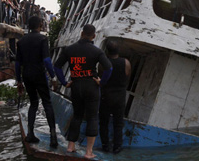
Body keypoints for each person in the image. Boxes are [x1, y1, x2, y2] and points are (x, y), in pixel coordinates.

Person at [54, 24, 112, 159]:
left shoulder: (69, 49)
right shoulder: (96, 51)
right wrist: (102, 82)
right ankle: (89, 152)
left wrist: (64, 82)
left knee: (77, 116)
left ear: (81, 34)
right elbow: (109, 68)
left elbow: (57, 66)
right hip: (91, 86)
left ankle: (70, 146)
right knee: (92, 117)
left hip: (76, 85)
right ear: (94, 36)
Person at [15, 16, 68, 148]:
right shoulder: (43, 39)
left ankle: (30, 134)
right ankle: (53, 137)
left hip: (26, 75)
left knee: (33, 103)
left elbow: (17, 63)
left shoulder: (21, 41)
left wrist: (19, 81)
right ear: (39, 25)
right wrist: (53, 77)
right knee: (47, 103)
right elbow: (46, 60)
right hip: (39, 74)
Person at [99, 40, 131, 154]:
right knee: (118, 123)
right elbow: (127, 77)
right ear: (119, 50)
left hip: (106, 96)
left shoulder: (103, 63)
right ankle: (117, 147)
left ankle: (105, 145)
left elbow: (101, 78)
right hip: (120, 97)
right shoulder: (126, 63)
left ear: (107, 51)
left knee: (103, 122)